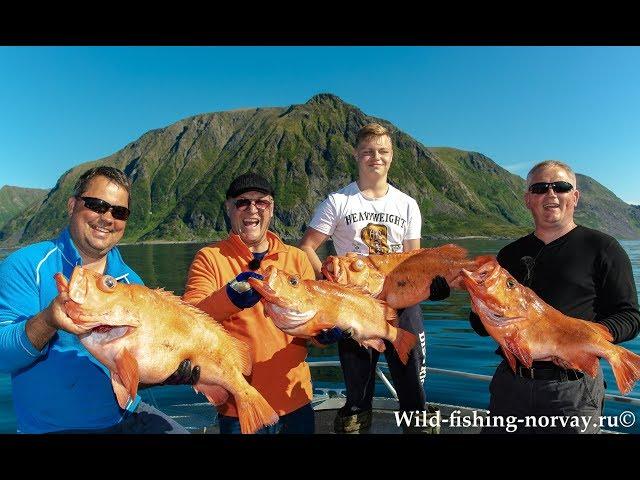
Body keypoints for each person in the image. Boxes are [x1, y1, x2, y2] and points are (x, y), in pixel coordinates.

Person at [0, 166, 194, 434]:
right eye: (96, 205)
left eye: (119, 211)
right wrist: (48, 320)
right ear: (72, 205)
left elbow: (134, 369)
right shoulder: (25, 265)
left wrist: (171, 372)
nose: (107, 218)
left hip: (126, 417)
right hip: (51, 429)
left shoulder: (133, 284)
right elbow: (3, 357)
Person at [469, 160, 640, 433]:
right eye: (539, 188)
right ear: (528, 199)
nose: (551, 194)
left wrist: (584, 337)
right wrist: (478, 304)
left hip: (573, 392)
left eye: (560, 187)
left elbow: (630, 316)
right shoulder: (509, 255)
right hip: (510, 387)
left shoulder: (604, 248)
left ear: (575, 196)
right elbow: (479, 327)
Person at [299, 123, 449, 433]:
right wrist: (328, 290)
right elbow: (306, 249)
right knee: (357, 397)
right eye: (368, 151)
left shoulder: (407, 204)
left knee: (413, 395)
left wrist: (429, 286)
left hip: (402, 307)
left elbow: (413, 261)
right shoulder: (338, 202)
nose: (375, 157)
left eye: (382, 151)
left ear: (392, 156)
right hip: (354, 309)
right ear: (356, 154)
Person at [182, 172, 316, 434]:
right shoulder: (209, 258)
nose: (252, 209)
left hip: (295, 400)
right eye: (242, 202)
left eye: (261, 202)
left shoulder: (298, 259)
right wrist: (229, 298)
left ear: (272, 208)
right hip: (238, 408)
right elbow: (188, 321)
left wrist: (326, 332)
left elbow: (312, 325)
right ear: (229, 209)